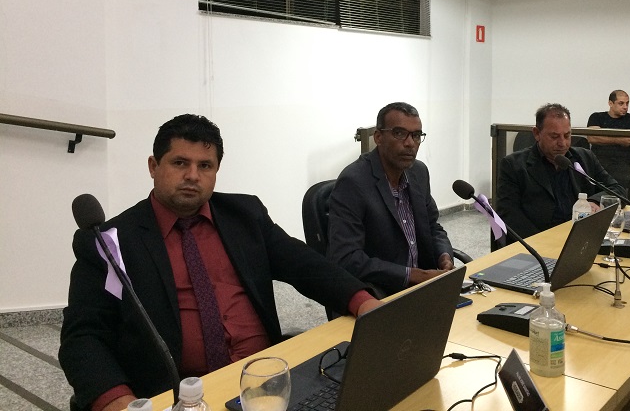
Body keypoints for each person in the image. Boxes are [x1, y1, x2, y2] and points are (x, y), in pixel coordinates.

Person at [59, 114, 380, 411]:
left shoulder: (245, 215)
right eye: (180, 163)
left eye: (205, 166)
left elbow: (303, 264)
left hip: (263, 381)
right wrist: (118, 402)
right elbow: (83, 337)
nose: (192, 176)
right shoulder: (110, 242)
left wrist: (363, 302)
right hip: (178, 396)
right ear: (153, 166)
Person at [327, 102, 454, 298]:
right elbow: (346, 257)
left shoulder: (419, 172)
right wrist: (412, 275)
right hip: (381, 293)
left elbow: (432, 227)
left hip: (425, 288)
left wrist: (444, 256)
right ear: (378, 137)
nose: (410, 143)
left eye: (416, 135)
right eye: (399, 133)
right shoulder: (353, 182)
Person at [496, 103, 626, 239]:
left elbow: (618, 190)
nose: (562, 143)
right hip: (539, 240)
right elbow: (509, 215)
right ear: (537, 133)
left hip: (580, 238)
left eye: (567, 135)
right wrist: (543, 241)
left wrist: (594, 202)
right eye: (554, 137)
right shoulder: (513, 165)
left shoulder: (585, 158)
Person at [587, 90, 630, 192]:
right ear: (610, 103)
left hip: (622, 164)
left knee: (618, 184)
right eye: (621, 103)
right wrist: (619, 140)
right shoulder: (597, 117)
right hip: (600, 162)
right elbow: (592, 137)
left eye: (627, 103)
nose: (625, 107)